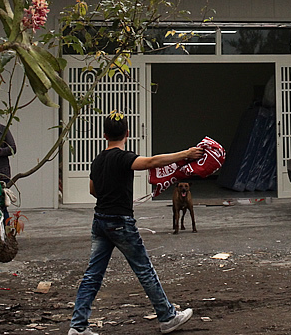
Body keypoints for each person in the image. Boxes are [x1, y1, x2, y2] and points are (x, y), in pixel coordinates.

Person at [68, 112, 205, 335]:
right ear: (128, 134)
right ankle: (167, 316)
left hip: (100, 221)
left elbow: (93, 189)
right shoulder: (124, 157)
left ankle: (78, 326)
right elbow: (151, 162)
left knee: (93, 275)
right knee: (144, 270)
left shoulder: (98, 160)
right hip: (121, 223)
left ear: (104, 135)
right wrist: (185, 154)